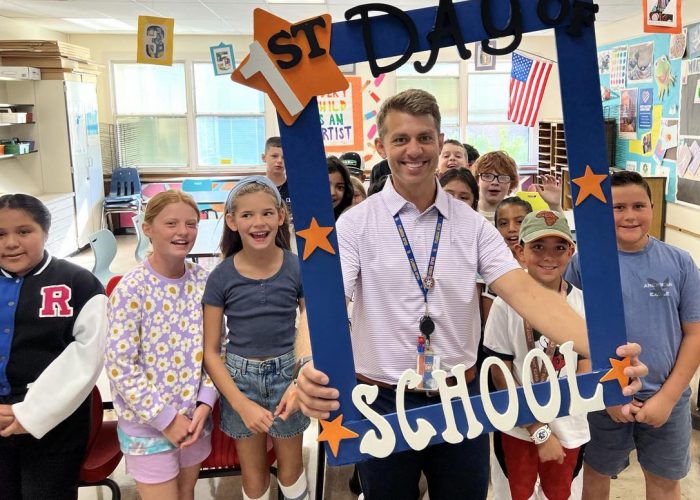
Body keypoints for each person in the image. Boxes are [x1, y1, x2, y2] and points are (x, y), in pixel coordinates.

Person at [294, 89, 647, 500]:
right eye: (400, 139)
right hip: (381, 400)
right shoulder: (356, 225)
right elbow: (325, 305)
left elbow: (526, 294)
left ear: (441, 143)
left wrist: (607, 351)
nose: (414, 150)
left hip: (460, 398)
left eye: (425, 138)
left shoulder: (471, 225)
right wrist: (308, 362)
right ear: (380, 146)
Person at [564, 171, 700, 500]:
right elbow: (568, 331)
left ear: (652, 207)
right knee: (595, 475)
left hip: (667, 397)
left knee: (665, 481)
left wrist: (667, 398)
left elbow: (695, 334)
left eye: (638, 205)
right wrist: (608, 393)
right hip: (603, 396)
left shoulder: (679, 262)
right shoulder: (584, 263)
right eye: (617, 207)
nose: (629, 216)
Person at [202, 176, 310, 500]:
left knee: (291, 469)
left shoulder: (297, 268)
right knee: (253, 472)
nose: (258, 222)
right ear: (232, 221)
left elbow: (310, 325)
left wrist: (299, 380)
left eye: (266, 213)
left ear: (281, 216)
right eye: (247, 215)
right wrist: (240, 404)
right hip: (239, 380)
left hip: (287, 376)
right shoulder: (220, 277)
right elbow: (210, 351)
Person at [106, 190, 216, 500]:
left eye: (191, 224)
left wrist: (206, 402)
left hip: (194, 421)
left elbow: (217, 348)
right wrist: (165, 419)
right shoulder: (131, 290)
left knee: (186, 493)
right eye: (171, 223)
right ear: (147, 227)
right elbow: (120, 366)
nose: (183, 232)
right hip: (149, 426)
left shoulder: (205, 283)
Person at [0, 193, 108, 499]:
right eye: (1, 234)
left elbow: (87, 358)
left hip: (56, 417)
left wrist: (31, 413)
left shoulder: (79, 283)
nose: (11, 243)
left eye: (24, 231)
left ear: (46, 233)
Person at [485, 210, 589, 500]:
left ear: (571, 251)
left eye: (559, 248)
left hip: (569, 427)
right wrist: (539, 430)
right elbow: (500, 374)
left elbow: (587, 363)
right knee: (517, 494)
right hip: (520, 428)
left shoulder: (582, 304)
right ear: (520, 251)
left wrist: (566, 406)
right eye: (538, 247)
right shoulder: (505, 304)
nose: (549, 256)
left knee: (561, 494)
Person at [263, 136, 293, 218]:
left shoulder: (296, 188)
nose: (279, 161)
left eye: (284, 157)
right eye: (274, 156)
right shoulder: (257, 188)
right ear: (264, 157)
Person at [495, 196, 534, 261]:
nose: (511, 229)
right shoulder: (488, 266)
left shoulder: (545, 264)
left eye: (519, 221)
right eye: (504, 223)